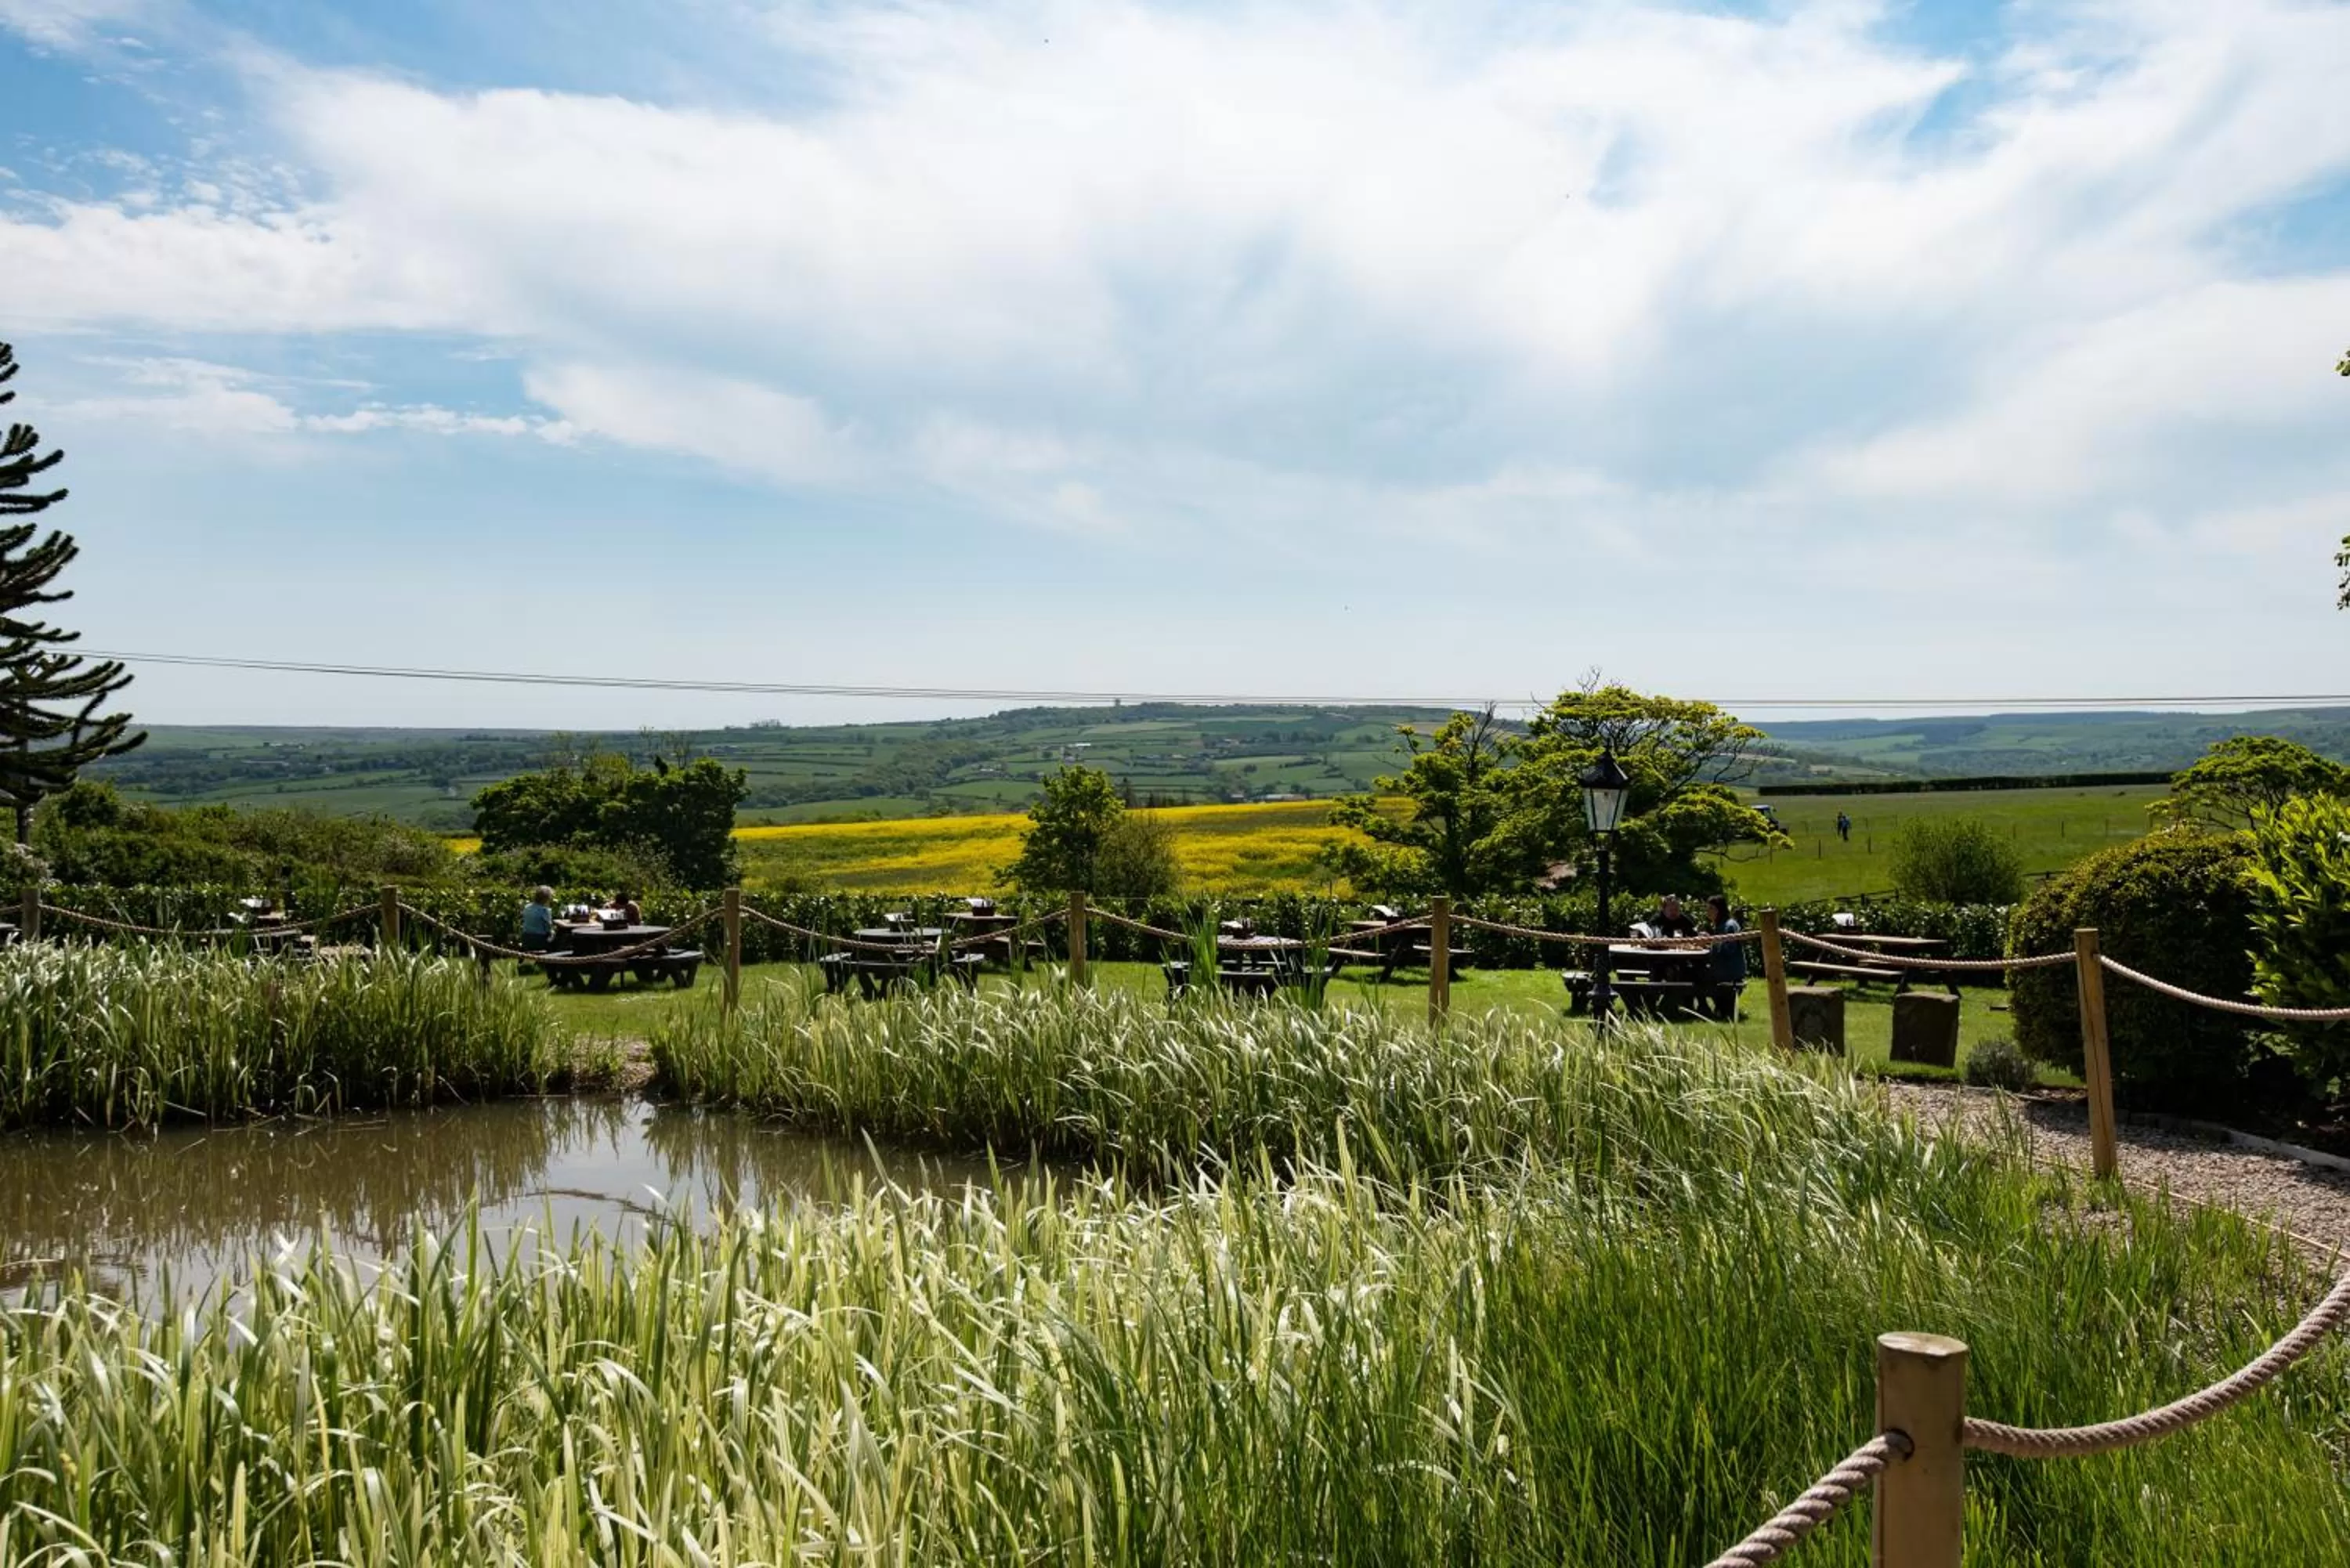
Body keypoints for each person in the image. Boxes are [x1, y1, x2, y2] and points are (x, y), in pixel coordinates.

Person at [1704, 894, 1746, 1021]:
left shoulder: (1729, 926)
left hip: (1729, 971)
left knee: (1697, 975)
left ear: (1718, 910)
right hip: (1724, 969)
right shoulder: (1721, 925)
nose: (1708, 912)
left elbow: (1729, 949)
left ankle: (1704, 1008)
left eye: (1710, 908)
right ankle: (1714, 1007)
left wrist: (1711, 942)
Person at [519, 887, 557, 956]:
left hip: (526, 939)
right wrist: (553, 932)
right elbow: (548, 929)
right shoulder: (545, 911)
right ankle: (554, 962)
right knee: (558, 939)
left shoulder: (527, 907)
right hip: (538, 940)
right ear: (546, 899)